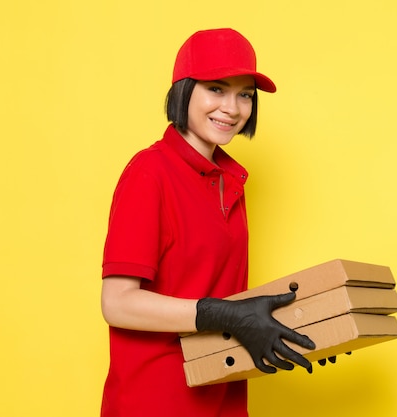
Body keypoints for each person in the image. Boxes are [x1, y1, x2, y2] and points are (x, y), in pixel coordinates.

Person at [100, 28, 316, 417]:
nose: (232, 108)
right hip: (157, 400)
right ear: (184, 91)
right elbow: (117, 303)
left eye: (245, 94)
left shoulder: (230, 183)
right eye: (216, 89)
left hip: (221, 389)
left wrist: (309, 329)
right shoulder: (150, 173)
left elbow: (216, 287)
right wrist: (222, 314)